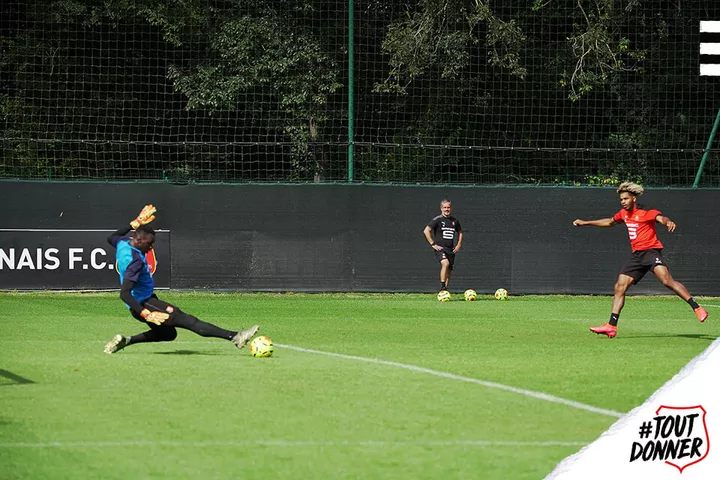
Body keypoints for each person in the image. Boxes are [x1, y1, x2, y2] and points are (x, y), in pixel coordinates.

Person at [103, 204, 259, 354]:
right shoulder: (135, 262)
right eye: (149, 244)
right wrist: (146, 313)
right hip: (143, 304)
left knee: (168, 334)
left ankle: (126, 340)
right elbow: (124, 293)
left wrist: (135, 223)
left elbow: (112, 237)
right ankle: (236, 337)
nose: (151, 247)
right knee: (187, 320)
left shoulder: (123, 243)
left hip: (145, 302)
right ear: (138, 241)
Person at [573, 182, 708, 338]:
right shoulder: (623, 214)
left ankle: (697, 308)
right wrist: (586, 223)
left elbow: (661, 218)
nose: (623, 202)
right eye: (621, 199)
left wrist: (668, 222)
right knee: (619, 287)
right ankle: (611, 326)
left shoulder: (646, 213)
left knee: (666, 281)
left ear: (634, 198)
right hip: (637, 257)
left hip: (650, 252)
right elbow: (609, 222)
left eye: (626, 198)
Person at [423, 199, 463, 293]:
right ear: (441, 208)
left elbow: (460, 232)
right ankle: (442, 287)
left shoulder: (455, 221)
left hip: (451, 249)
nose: (446, 209)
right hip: (440, 249)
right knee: (445, 263)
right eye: (444, 207)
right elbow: (426, 231)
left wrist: (458, 244)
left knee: (449, 270)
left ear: (451, 208)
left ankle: (445, 291)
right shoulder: (438, 220)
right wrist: (433, 244)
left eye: (448, 207)